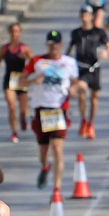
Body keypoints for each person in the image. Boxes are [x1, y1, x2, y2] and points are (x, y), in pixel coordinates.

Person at [25, 30, 81, 190]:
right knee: (43, 152)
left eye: (56, 44)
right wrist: (33, 80)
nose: (53, 47)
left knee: (57, 148)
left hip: (59, 110)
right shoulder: (37, 61)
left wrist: (74, 89)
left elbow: (76, 82)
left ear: (61, 45)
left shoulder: (69, 62)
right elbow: (19, 80)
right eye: (50, 44)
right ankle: (45, 167)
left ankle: (57, 188)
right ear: (46, 45)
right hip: (41, 110)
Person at [67, 7, 109, 139]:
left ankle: (90, 123)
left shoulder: (99, 32)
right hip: (80, 67)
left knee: (94, 98)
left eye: (87, 14)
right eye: (82, 14)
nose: (84, 17)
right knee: (81, 93)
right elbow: (69, 49)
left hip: (94, 67)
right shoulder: (76, 33)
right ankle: (83, 120)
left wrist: (106, 52)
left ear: (92, 16)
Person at [0, 23, 33, 143]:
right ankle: (14, 132)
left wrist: (25, 57)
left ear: (20, 33)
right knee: (12, 106)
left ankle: (23, 117)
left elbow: (34, 63)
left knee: (24, 109)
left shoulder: (24, 48)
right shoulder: (4, 49)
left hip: (21, 80)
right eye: (13, 31)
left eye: (17, 31)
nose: (14, 34)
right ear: (10, 33)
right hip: (9, 80)